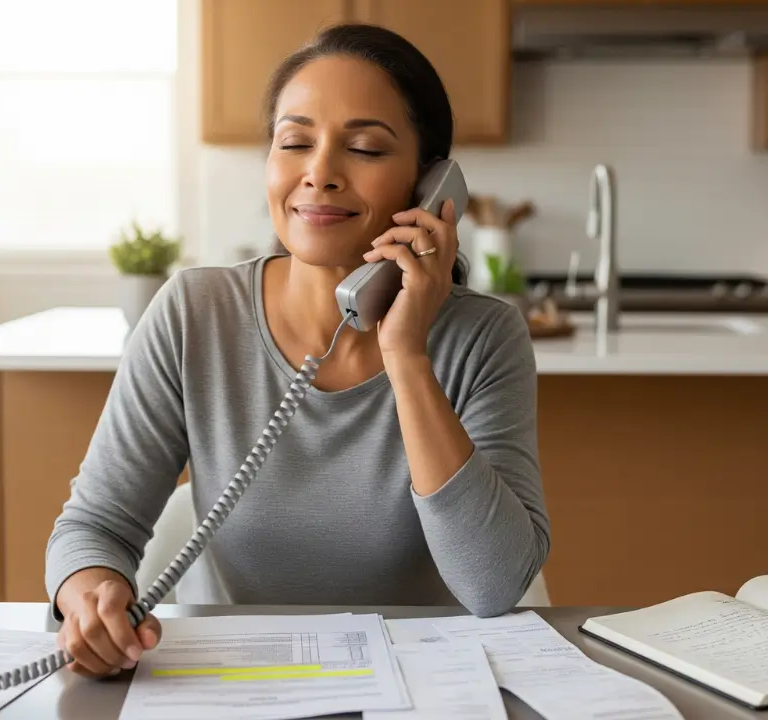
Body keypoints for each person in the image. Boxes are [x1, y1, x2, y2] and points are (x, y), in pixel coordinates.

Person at [45, 23, 550, 678]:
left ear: (432, 187)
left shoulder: (486, 337)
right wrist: (91, 598)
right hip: (235, 683)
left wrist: (406, 356)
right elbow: (96, 527)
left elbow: (492, 584)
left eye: (365, 148)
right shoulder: (194, 313)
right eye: (295, 142)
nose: (319, 173)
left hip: (424, 686)